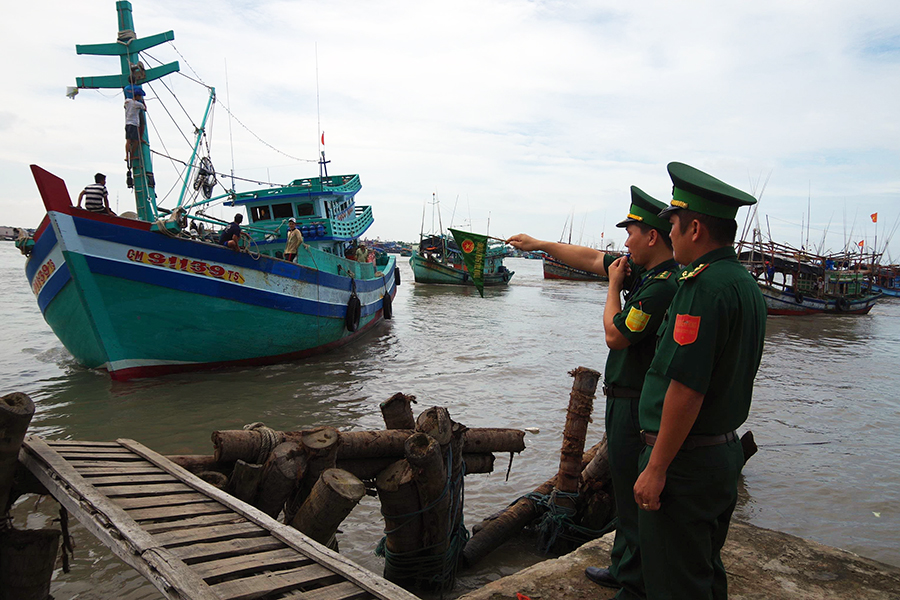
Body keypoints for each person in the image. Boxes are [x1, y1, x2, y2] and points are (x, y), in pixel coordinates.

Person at [508, 186, 680, 600]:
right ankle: (624, 566)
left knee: (637, 489)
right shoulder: (642, 270)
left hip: (638, 402)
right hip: (622, 397)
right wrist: (539, 244)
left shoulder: (660, 286)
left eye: (631, 233)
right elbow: (588, 257)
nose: (624, 242)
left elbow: (615, 336)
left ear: (651, 237)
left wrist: (612, 288)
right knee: (623, 485)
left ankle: (636, 581)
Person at [633, 162, 766, 600]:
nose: (668, 232)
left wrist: (656, 468)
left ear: (694, 229)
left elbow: (687, 388)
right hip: (719, 454)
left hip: (684, 464)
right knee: (703, 572)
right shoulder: (743, 284)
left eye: (672, 223)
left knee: (673, 581)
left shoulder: (702, 288)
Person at [124, 86, 147, 165]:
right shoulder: (138, 104)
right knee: (136, 141)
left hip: (127, 123)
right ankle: (132, 155)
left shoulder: (127, 101)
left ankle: (127, 156)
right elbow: (145, 109)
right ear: (137, 96)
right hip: (134, 124)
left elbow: (125, 106)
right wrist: (143, 101)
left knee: (128, 140)